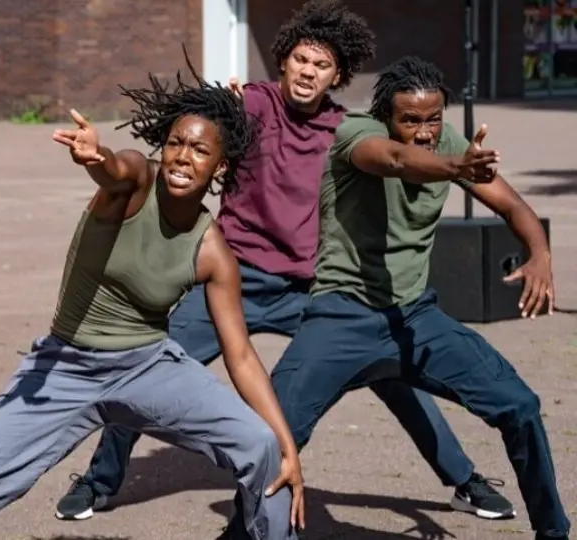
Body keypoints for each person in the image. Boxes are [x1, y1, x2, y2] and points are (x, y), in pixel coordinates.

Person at [56, 0, 514, 523]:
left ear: (338, 75)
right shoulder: (249, 105)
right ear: (282, 61)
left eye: (321, 65)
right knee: (151, 365)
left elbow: (401, 157)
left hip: (313, 288)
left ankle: (464, 479)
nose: (308, 72)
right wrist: (190, 118)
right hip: (236, 278)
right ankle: (99, 481)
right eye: (300, 59)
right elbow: (190, 136)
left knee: (391, 371)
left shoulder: (349, 130)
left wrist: (456, 164)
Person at [0, 54, 303, 540]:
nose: (182, 157)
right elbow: (116, 170)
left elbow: (240, 355)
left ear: (221, 165)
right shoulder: (135, 182)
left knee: (264, 450)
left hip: (146, 367)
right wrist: (97, 157)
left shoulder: (213, 252)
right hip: (64, 366)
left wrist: (286, 443)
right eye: (175, 143)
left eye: (199, 150)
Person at [269, 56, 570, 540]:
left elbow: (512, 204)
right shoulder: (355, 134)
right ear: (386, 117)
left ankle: (553, 532)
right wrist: (455, 167)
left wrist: (540, 253)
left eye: (434, 119)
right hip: (340, 316)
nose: (425, 132)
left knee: (520, 406)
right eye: (410, 120)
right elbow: (393, 160)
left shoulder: (450, 144)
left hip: (415, 318)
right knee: (270, 435)